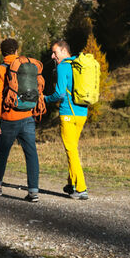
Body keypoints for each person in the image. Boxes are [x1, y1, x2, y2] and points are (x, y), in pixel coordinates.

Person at [0, 38, 44, 201]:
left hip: (8, 118)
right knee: (31, 153)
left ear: (2, 52)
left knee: (3, 152)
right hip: (28, 115)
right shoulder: (25, 67)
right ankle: (33, 191)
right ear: (17, 51)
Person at [46, 40, 89, 200]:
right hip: (82, 113)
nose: (52, 56)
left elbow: (59, 94)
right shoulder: (78, 64)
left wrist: (45, 98)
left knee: (71, 151)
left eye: (55, 52)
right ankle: (71, 184)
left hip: (68, 114)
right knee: (73, 149)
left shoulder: (63, 66)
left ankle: (81, 188)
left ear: (64, 51)